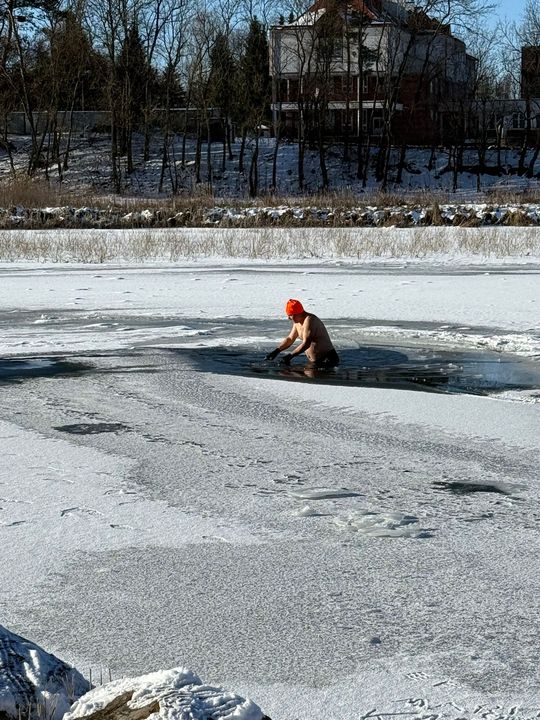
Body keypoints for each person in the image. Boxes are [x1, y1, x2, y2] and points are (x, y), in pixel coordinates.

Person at [265, 298, 339, 368]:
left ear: (296, 313)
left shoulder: (310, 320)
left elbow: (306, 343)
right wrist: (276, 351)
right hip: (315, 361)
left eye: (290, 315)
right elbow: (290, 339)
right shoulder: (298, 322)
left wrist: (290, 356)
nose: (289, 318)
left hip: (327, 360)